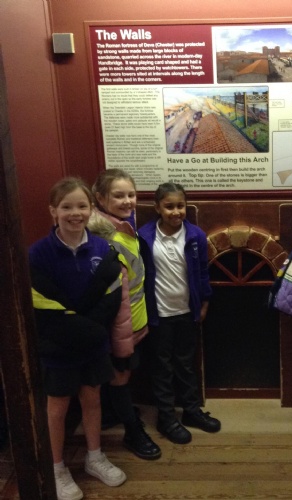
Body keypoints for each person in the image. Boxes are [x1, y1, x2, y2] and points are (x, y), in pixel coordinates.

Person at [29, 177, 126, 500]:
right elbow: (42, 304)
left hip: (93, 345)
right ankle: (56, 467)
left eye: (82, 206)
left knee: (92, 398)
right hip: (58, 346)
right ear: (53, 211)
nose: (75, 213)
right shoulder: (38, 254)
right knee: (57, 407)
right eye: (66, 206)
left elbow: (111, 299)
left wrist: (89, 332)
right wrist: (79, 330)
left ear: (91, 208)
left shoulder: (103, 250)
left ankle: (94, 456)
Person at [138, 182, 221, 444]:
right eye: (169, 206)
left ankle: (191, 411)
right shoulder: (144, 236)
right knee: (162, 367)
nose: (176, 212)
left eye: (180, 206)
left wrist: (204, 302)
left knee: (186, 364)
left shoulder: (195, 235)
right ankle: (166, 417)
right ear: (157, 208)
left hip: (186, 311)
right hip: (159, 314)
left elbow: (203, 273)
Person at [89, 168, 161, 460]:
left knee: (121, 375)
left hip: (133, 321)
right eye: (118, 196)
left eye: (131, 194)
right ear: (100, 198)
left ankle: (116, 414)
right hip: (118, 327)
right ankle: (132, 431)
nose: (128, 201)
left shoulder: (124, 228)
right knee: (120, 376)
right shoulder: (101, 237)